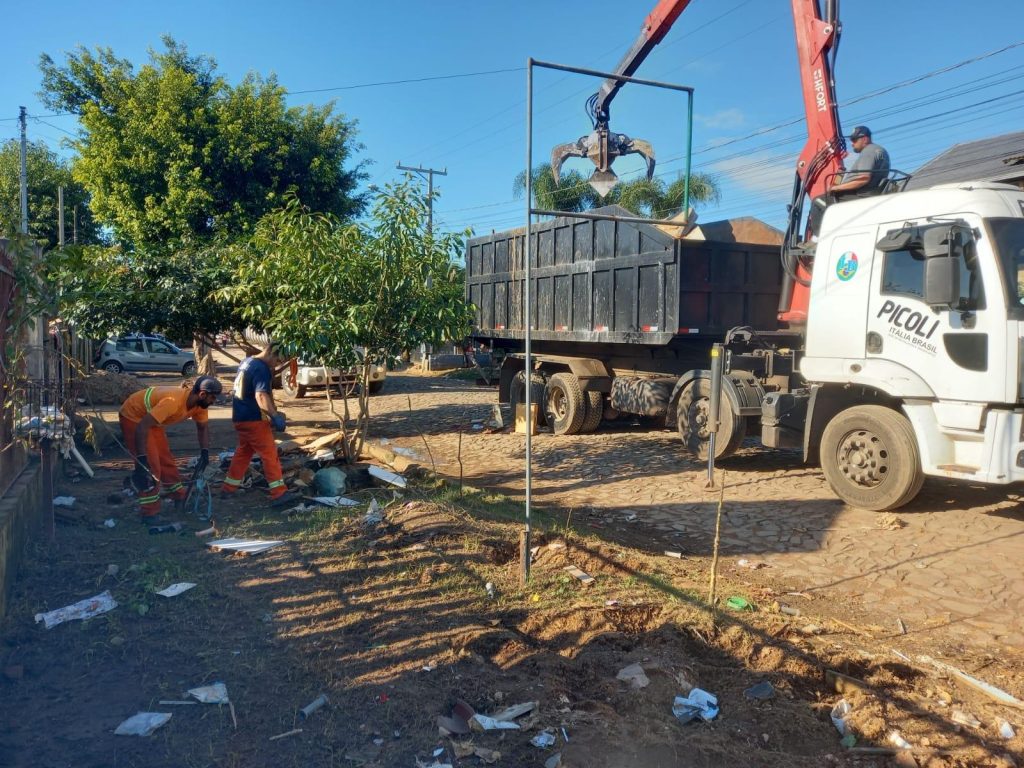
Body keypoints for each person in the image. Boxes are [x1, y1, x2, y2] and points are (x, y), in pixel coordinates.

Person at [120, 376, 223, 519]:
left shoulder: (199, 405)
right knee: (151, 466)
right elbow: (142, 427)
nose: (214, 402)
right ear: (202, 394)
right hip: (134, 417)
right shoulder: (172, 403)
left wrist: (205, 453)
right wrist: (142, 459)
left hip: (152, 420)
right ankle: (149, 512)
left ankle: (178, 496)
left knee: (165, 460)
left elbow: (202, 428)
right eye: (213, 398)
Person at [221, 342, 295, 505]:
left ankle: (228, 488)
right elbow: (261, 397)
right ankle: (279, 493)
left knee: (243, 453)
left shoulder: (246, 362)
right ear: (271, 353)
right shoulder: (261, 368)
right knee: (269, 455)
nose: (277, 365)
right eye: (278, 361)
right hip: (254, 419)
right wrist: (275, 416)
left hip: (240, 417)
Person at [807, 125, 891, 238]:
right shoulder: (880, 151)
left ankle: (818, 239)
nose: (852, 143)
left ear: (865, 139)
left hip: (860, 195)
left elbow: (863, 178)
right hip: (869, 193)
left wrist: (835, 188)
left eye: (855, 140)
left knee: (818, 202)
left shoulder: (868, 152)